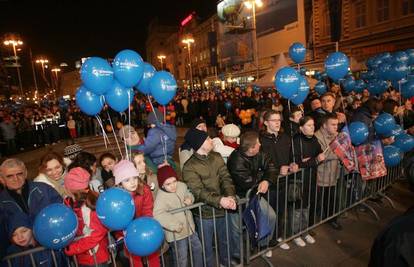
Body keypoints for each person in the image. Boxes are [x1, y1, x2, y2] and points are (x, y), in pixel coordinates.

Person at [181, 128, 237, 267]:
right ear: (199, 143)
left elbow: (226, 178)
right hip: (204, 213)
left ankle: (226, 262)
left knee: (225, 239)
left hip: (222, 208)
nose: (211, 140)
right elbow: (198, 191)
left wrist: (229, 195)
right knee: (207, 246)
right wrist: (220, 200)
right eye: (207, 139)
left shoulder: (216, 157)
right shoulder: (189, 167)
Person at [227, 131, 278, 258]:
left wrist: (267, 180)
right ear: (251, 149)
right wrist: (262, 176)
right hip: (238, 198)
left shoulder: (259, 152)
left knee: (271, 216)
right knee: (237, 229)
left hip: (254, 195)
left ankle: (262, 245)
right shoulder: (235, 160)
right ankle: (238, 256)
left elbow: (271, 166)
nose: (260, 144)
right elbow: (246, 182)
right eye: (258, 143)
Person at [259, 110, 298, 250]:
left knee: (281, 211)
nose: (277, 122)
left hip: (283, 181)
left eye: (279, 120)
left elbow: (291, 156)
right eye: (274, 120)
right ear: (265, 122)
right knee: (268, 215)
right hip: (268, 183)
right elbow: (260, 163)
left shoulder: (285, 138)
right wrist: (277, 169)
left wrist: (292, 164)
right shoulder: (260, 140)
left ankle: (277, 237)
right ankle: (265, 244)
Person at [153, 165, 203, 267]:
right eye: (168, 184)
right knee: (182, 258)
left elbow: (188, 193)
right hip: (176, 234)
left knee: (198, 249)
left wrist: (189, 198)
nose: (173, 186)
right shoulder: (161, 197)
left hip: (190, 228)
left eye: (174, 181)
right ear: (162, 185)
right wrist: (175, 225)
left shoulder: (182, 186)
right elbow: (158, 214)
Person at [113, 160, 159, 267]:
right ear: (120, 183)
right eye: (127, 180)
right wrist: (122, 233)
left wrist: (145, 227)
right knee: (134, 259)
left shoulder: (144, 190)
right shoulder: (117, 197)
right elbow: (116, 218)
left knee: (152, 255)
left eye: (134, 178)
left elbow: (148, 209)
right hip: (127, 232)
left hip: (144, 227)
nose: (133, 182)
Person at [63, 167, 110, 267]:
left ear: (69, 189)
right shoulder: (69, 203)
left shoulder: (89, 207)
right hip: (83, 257)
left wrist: (73, 248)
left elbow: (96, 234)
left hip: (95, 258)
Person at [292, 116, 325, 247]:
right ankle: (295, 234)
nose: (312, 127)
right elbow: (297, 163)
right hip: (300, 179)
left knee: (307, 206)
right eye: (309, 125)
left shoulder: (314, 139)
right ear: (301, 128)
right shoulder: (296, 140)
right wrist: (314, 160)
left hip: (312, 176)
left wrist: (310, 160)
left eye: (313, 125)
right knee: (298, 208)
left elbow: (321, 154)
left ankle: (304, 231)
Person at [314, 113, 342, 230]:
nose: (336, 127)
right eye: (333, 124)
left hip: (333, 173)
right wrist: (339, 154)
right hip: (320, 175)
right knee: (318, 200)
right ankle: (314, 223)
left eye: (337, 124)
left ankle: (331, 219)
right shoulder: (316, 137)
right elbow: (322, 155)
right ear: (325, 125)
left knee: (332, 199)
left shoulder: (338, 135)